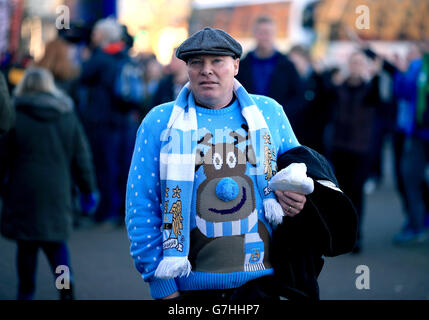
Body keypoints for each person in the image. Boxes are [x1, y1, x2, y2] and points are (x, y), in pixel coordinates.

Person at [125, 27, 357, 301]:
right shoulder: (159, 121)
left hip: (265, 284)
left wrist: (298, 198)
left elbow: (300, 171)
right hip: (188, 288)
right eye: (196, 62)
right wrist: (160, 284)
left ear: (235, 65)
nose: (206, 70)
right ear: (186, 68)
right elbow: (141, 205)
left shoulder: (269, 112)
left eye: (217, 61)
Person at [0, 67, 98, 300]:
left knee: (27, 247)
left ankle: (26, 291)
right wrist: (88, 189)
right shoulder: (66, 114)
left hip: (23, 191)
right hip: (58, 191)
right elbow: (81, 157)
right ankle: (65, 286)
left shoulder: (14, 115)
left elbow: (3, 157)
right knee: (56, 246)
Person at [78, 18, 139, 227]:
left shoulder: (100, 58)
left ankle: (104, 213)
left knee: (104, 167)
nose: (92, 37)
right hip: (124, 121)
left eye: (95, 33)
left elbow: (81, 76)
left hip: (103, 122)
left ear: (102, 36)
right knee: (124, 167)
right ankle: (123, 211)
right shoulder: (126, 56)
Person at [327, 51, 379, 253]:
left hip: (361, 150)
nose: (356, 66)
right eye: (353, 62)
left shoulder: (369, 90)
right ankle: (341, 235)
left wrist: (375, 75)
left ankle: (356, 236)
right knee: (341, 193)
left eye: (360, 63)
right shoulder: (339, 88)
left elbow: (380, 95)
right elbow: (324, 92)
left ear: (365, 67)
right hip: (339, 148)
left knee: (356, 193)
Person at [236, 16, 303, 123]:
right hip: (248, 122)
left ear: (274, 34)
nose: (264, 36)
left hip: (279, 122)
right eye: (261, 32)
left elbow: (298, 97)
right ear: (254, 34)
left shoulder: (287, 65)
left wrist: (281, 113)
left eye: (268, 32)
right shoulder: (242, 65)